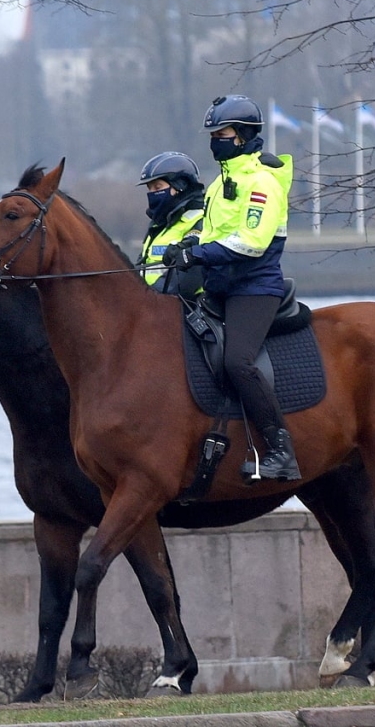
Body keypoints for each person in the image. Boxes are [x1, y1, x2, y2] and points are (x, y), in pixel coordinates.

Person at [161, 94, 298, 482]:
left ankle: (280, 449)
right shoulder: (222, 183)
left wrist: (200, 255)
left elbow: (252, 241)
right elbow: (212, 229)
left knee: (238, 360)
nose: (215, 140)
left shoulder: (262, 183)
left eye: (221, 133)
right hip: (219, 286)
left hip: (254, 288)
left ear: (242, 136)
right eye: (213, 133)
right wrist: (188, 245)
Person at [135, 151, 205, 298]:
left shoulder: (200, 220)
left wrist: (146, 298)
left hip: (184, 308)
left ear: (180, 186)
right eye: (150, 189)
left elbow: (186, 280)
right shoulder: (158, 226)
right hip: (150, 307)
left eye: (158, 188)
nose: (152, 193)